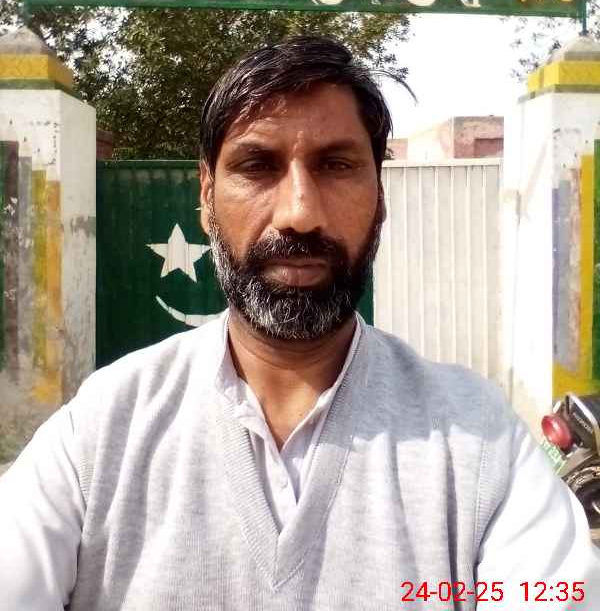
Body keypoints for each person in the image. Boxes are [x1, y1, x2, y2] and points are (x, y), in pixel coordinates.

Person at [1, 35, 598, 610]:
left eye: (336, 165)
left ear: (380, 195)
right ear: (206, 196)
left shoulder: (478, 442)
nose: (300, 214)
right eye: (257, 166)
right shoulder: (104, 429)